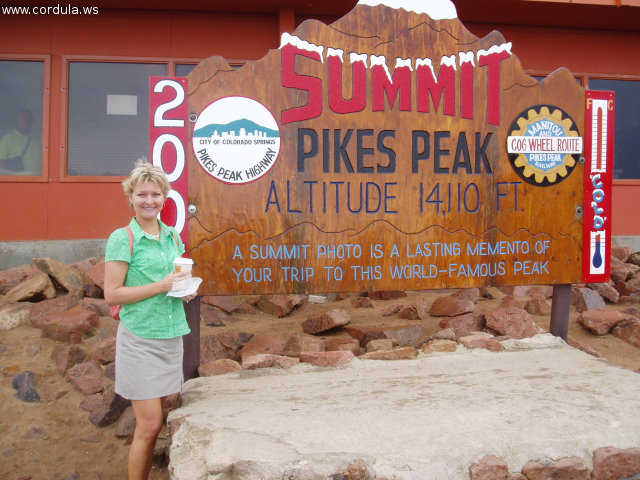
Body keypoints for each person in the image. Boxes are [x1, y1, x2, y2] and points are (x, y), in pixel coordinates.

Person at [103, 160, 195, 480]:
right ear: (131, 197)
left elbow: (176, 283)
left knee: (156, 421)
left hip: (169, 336)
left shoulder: (172, 237)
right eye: (141, 194)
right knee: (150, 424)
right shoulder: (122, 238)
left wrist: (184, 291)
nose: (149, 201)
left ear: (164, 198)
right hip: (140, 338)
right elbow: (112, 294)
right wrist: (161, 286)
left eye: (155, 194)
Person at [0, 108, 42, 174]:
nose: (25, 120)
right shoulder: (8, 138)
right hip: (19, 180)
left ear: (32, 121)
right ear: (17, 120)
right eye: (22, 117)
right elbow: (1, 161)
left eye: (28, 118)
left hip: (39, 179)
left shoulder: (38, 140)